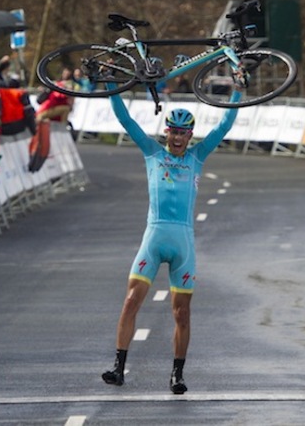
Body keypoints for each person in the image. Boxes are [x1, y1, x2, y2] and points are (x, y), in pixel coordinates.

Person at [101, 96, 238, 394]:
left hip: (182, 244)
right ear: (166, 132)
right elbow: (125, 120)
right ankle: (118, 368)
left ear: (190, 135)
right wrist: (111, 86)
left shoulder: (197, 157)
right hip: (153, 238)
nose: (177, 138)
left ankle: (177, 374)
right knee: (130, 302)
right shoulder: (151, 153)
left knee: (181, 313)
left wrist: (238, 91)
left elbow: (225, 124)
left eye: (183, 133)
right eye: (173, 131)